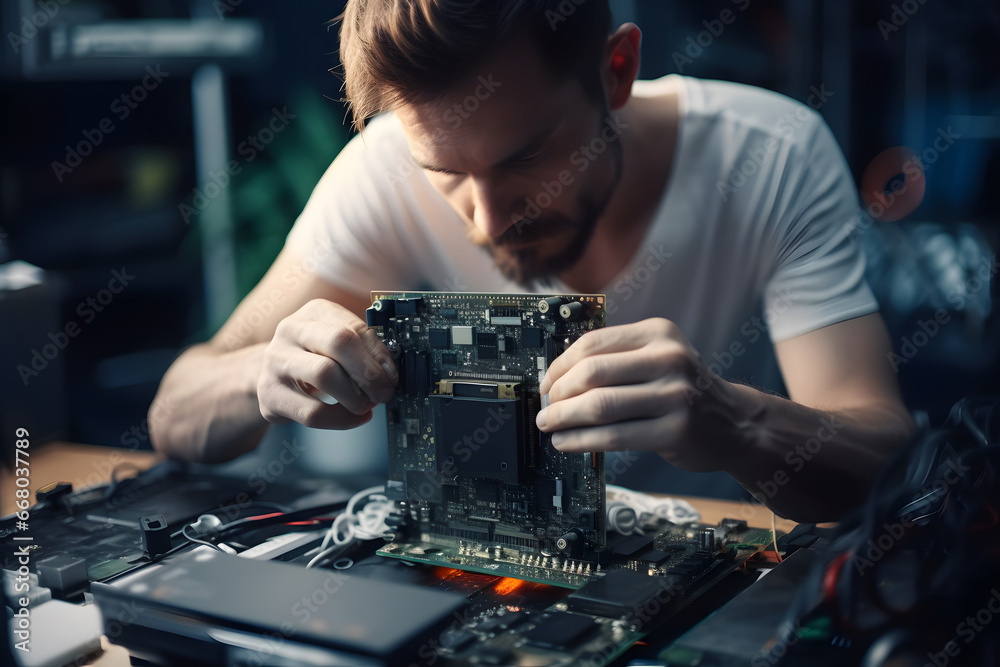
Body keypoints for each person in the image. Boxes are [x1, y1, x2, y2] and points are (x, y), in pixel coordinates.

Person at [149, 0, 914, 522]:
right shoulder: (383, 169)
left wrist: (733, 420)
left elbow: (890, 454)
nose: (488, 220)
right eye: (444, 172)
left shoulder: (773, 157)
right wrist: (260, 375)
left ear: (616, 71)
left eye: (528, 158)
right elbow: (174, 413)